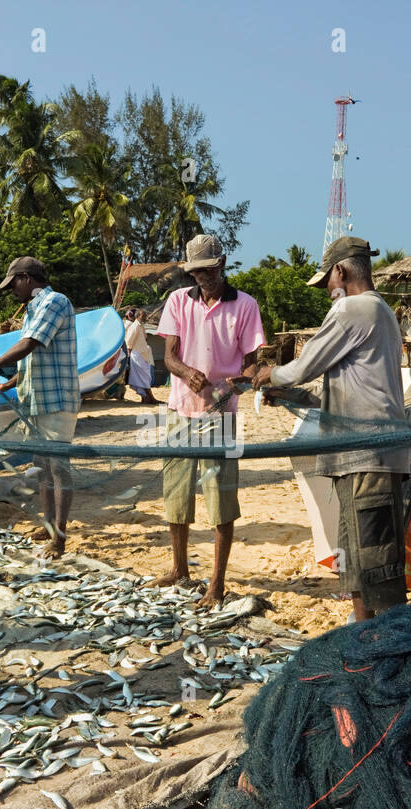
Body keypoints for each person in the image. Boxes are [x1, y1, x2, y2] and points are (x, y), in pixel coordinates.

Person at [253, 236, 410, 621]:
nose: (327, 290)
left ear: (341, 271)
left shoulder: (352, 309)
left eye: (327, 281)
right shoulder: (381, 311)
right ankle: (363, 641)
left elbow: (304, 366)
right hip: (359, 457)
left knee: (377, 570)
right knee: (357, 568)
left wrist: (266, 374)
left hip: (366, 458)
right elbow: (340, 391)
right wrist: (291, 396)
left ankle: (388, 651)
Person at [154, 233, 266, 607]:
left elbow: (252, 363)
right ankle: (179, 569)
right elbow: (169, 356)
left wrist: (236, 384)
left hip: (223, 414)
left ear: (221, 264)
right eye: (195, 272)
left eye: (206, 270)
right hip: (180, 408)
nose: (201, 278)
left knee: (221, 500)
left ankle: (216, 583)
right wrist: (187, 373)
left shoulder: (246, 305)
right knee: (176, 494)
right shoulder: (177, 301)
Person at [0, 256, 80, 558]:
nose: (13, 291)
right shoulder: (32, 310)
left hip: (57, 399)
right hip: (36, 400)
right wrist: (9, 384)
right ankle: (48, 525)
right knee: (42, 465)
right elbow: (31, 360)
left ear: (26, 278)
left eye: (14, 284)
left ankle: (59, 537)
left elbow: (31, 344)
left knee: (59, 467)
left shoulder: (55, 302)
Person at [124, 308, 157, 404]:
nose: (145, 317)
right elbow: (129, 341)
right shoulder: (134, 327)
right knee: (142, 377)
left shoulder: (141, 326)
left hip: (143, 354)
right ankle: (147, 398)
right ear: (138, 316)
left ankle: (147, 398)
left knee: (146, 377)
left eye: (145, 316)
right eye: (143, 316)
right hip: (137, 355)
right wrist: (129, 356)